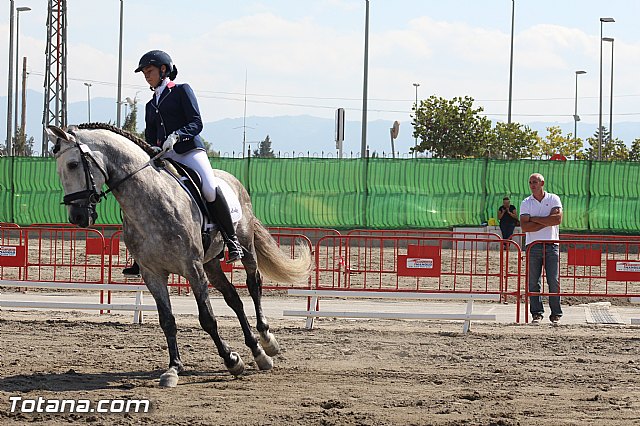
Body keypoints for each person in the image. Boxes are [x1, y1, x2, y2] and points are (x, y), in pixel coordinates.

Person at [122, 50, 243, 276]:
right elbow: (151, 135)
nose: (147, 76)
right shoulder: (150, 105)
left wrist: (178, 135)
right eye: (144, 73)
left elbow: (196, 122)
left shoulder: (181, 90)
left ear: (163, 69)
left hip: (188, 151)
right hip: (165, 155)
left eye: (149, 71)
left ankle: (232, 239)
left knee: (208, 187)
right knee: (144, 191)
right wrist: (153, 147)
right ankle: (140, 254)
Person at [519, 173, 563, 325]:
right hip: (533, 245)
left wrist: (534, 219)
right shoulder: (526, 202)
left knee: (553, 280)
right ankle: (536, 313)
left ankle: (556, 313)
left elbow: (557, 219)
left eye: (535, 182)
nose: (532, 184)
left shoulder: (553, 198)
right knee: (533, 282)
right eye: (530, 182)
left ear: (542, 183)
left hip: (551, 244)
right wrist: (547, 221)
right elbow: (525, 226)